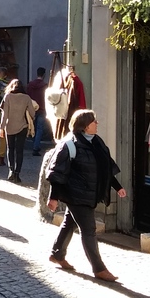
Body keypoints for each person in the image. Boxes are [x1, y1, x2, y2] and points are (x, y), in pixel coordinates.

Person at [45, 109, 127, 282]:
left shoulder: (97, 142)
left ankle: (57, 254)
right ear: (84, 126)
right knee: (89, 230)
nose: (97, 123)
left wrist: (117, 187)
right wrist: (53, 197)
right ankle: (99, 269)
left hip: (90, 194)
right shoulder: (69, 144)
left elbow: (105, 168)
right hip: (76, 194)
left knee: (69, 222)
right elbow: (57, 173)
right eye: (94, 121)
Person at [0, 79, 38, 184]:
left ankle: (11, 171)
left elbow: (4, 114)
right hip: (22, 126)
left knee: (10, 149)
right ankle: (17, 174)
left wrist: (1, 127)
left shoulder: (7, 97)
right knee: (19, 151)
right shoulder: (26, 98)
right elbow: (33, 113)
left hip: (9, 126)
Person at [26, 67, 50, 155]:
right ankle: (36, 147)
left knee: (33, 127)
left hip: (32, 108)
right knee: (40, 128)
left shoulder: (30, 85)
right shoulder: (45, 86)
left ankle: (34, 144)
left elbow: (27, 96)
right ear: (44, 75)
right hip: (42, 108)